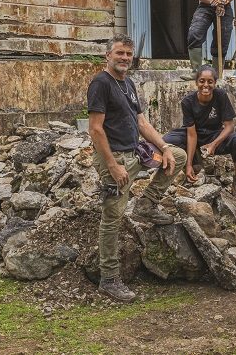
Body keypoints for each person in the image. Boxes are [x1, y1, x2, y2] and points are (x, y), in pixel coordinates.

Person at [86, 34, 187, 303]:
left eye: (128, 54)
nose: (125, 58)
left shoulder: (128, 83)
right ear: (108, 55)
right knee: (113, 217)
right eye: (119, 53)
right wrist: (111, 166)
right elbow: (95, 129)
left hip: (137, 152)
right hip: (115, 158)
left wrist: (164, 147)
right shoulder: (101, 83)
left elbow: (141, 122)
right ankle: (109, 279)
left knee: (178, 154)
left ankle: (147, 205)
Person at [161, 65, 236, 193]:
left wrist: (213, 144)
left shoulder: (220, 95)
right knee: (166, 140)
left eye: (210, 81)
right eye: (202, 81)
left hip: (214, 135)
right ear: (196, 82)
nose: (205, 85)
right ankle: (192, 163)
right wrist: (189, 165)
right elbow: (191, 134)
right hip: (194, 134)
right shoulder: (188, 102)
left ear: (215, 83)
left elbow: (230, 126)